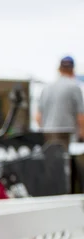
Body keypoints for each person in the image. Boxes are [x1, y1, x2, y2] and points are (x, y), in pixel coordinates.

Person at [36, 56, 84, 193]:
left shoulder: (47, 88)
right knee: (65, 165)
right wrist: (82, 134)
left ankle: (50, 192)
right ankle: (66, 193)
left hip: (47, 132)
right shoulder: (74, 87)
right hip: (65, 132)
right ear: (72, 70)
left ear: (59, 69)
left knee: (51, 165)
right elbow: (80, 116)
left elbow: (38, 117)